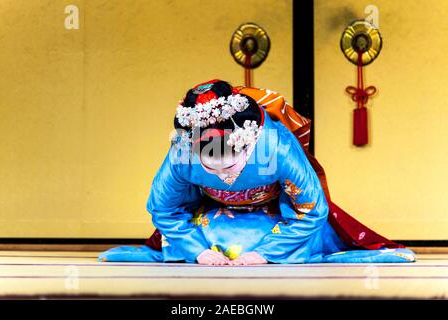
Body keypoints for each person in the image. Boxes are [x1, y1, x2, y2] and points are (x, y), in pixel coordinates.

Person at [98, 79, 415, 265]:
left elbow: (311, 210)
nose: (223, 174)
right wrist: (198, 253)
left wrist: (265, 254)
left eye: (230, 161)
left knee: (310, 235)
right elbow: (163, 209)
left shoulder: (274, 145)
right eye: (209, 163)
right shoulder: (182, 151)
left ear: (248, 139)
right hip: (213, 214)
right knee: (215, 238)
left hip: (280, 213)